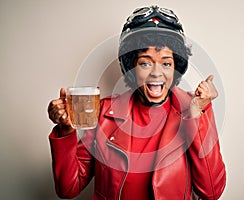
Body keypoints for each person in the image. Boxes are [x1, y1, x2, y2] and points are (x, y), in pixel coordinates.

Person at [47, 5, 226, 200]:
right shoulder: (104, 113)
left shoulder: (192, 110)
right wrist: (65, 131)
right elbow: (68, 188)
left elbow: (211, 192)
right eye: (145, 63)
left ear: (176, 67)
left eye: (166, 63)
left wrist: (198, 113)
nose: (156, 73)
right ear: (130, 66)